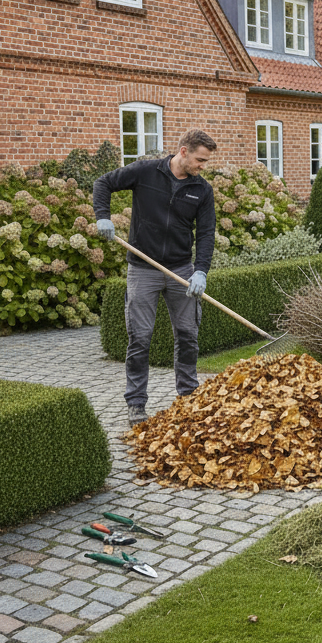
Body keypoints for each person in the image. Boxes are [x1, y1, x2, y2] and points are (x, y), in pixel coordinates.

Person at [94, 129, 218, 425]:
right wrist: (103, 215)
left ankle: (188, 396)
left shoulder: (202, 190)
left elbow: (205, 234)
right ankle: (136, 403)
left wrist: (200, 270)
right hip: (142, 269)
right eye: (200, 159)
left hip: (180, 271)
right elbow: (104, 183)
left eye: (206, 161)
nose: (203, 166)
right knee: (140, 338)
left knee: (188, 335)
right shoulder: (146, 171)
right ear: (183, 151)